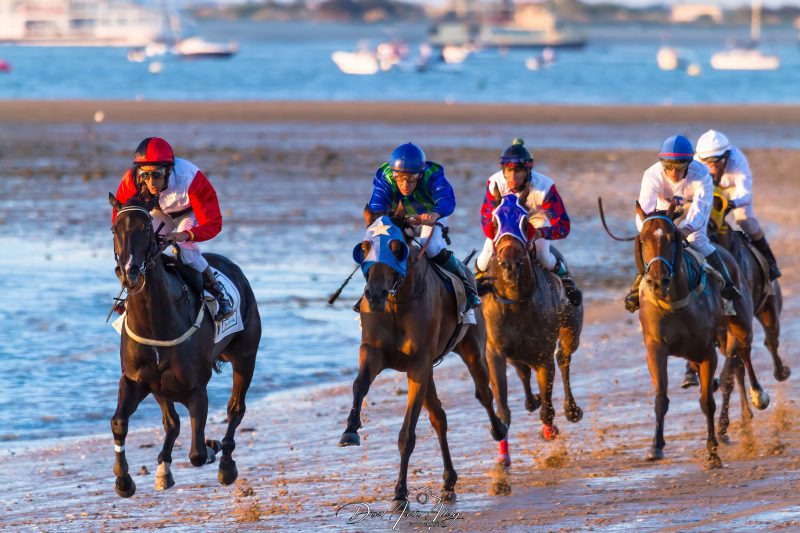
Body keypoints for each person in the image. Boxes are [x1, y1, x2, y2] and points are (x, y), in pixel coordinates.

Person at [111, 137, 235, 322]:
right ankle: (131, 295)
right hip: (159, 211)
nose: (151, 182)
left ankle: (219, 296)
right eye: (145, 175)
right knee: (140, 244)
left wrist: (184, 235)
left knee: (185, 249)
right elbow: (121, 221)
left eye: (157, 175)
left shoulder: (191, 180)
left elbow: (213, 224)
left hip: (189, 213)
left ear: (169, 170)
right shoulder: (131, 180)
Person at [624, 134, 742, 313]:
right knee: (650, 244)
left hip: (692, 214)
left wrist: (687, 229)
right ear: (662, 163)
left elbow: (701, 206)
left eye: (679, 167)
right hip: (664, 216)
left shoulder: (701, 173)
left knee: (697, 241)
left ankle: (727, 285)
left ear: (689, 163)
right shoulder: (651, 175)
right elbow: (644, 212)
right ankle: (636, 287)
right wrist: (649, 233)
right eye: (668, 167)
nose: (674, 173)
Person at [368, 142, 481, 309]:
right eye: (399, 178)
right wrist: (392, 219)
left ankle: (467, 287)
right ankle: (371, 291)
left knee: (432, 248)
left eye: (411, 179)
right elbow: (377, 206)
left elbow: (446, 200)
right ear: (393, 174)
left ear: (419, 175)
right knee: (379, 247)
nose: (404, 185)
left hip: (431, 217)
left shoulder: (432, 175)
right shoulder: (385, 175)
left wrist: (434, 214)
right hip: (399, 219)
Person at [475, 138, 582, 307]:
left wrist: (540, 233)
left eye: (518, 171)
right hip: (505, 226)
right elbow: (486, 218)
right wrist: (497, 236)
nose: (512, 176)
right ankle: (473, 287)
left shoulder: (544, 188)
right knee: (484, 257)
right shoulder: (494, 183)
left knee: (543, 256)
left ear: (527, 171)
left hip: (534, 223)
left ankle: (566, 280)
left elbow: (563, 226)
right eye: (508, 171)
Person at [695, 129, 781, 281]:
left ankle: (770, 262)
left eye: (717, 163)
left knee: (745, 220)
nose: (712, 168)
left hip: (734, 191)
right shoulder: (696, 162)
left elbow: (745, 194)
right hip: (710, 189)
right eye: (707, 163)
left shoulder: (738, 160)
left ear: (727, 156)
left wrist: (731, 203)